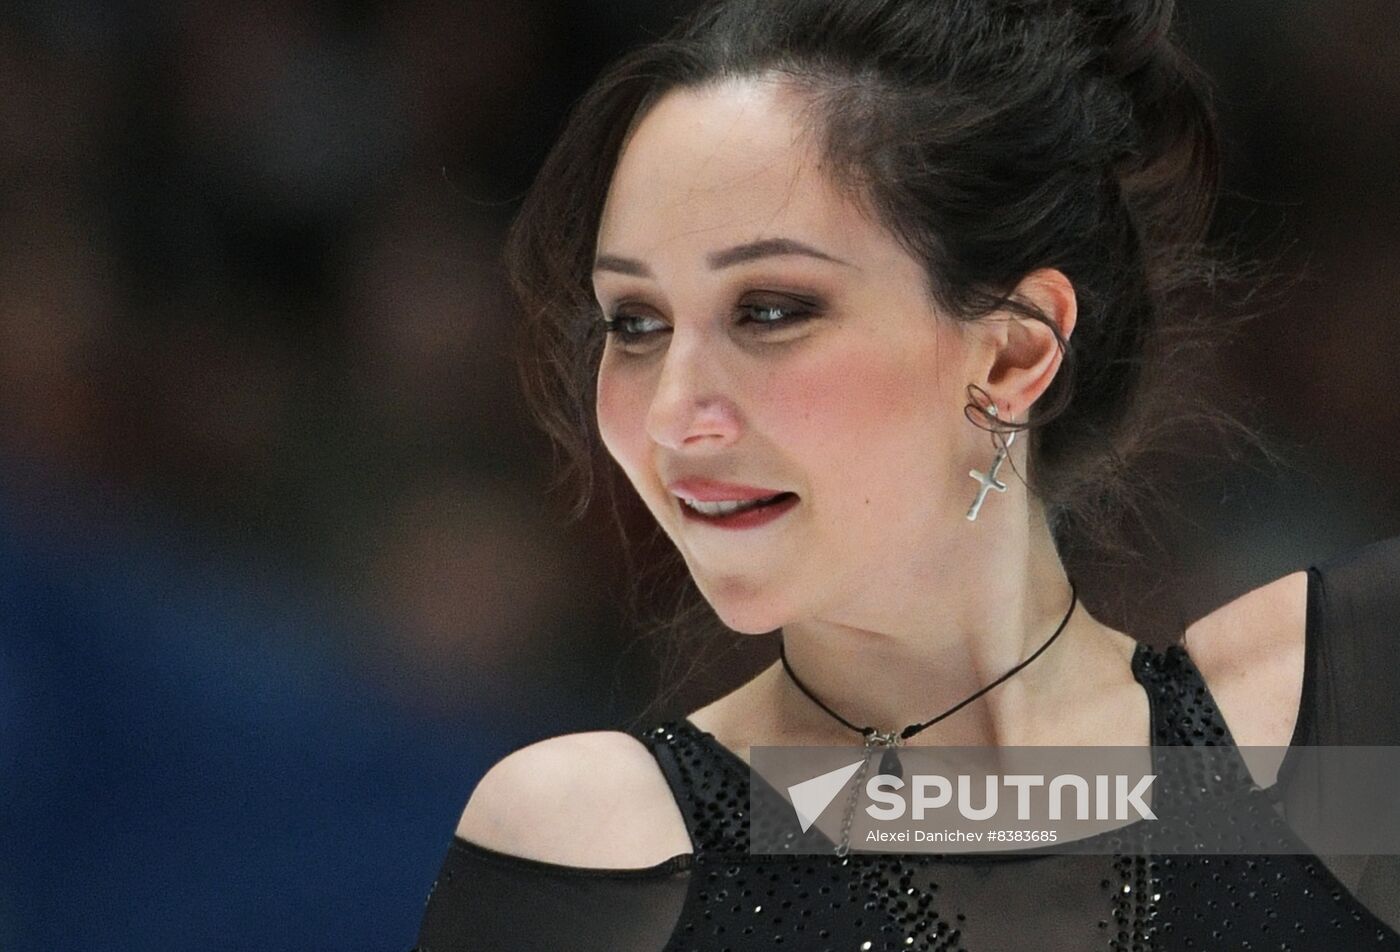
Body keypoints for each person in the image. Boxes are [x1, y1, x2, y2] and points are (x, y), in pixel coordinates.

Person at [411, 0, 1400, 947]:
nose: (669, 410)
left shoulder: (1327, 722)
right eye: (635, 323)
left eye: (768, 311)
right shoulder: (605, 840)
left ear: (1012, 355)